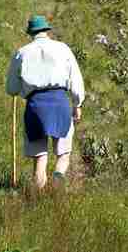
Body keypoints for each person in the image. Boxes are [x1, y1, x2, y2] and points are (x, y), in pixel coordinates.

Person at [5, 15, 85, 190]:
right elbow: (75, 79)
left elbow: (11, 89)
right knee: (64, 152)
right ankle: (58, 178)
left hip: (35, 106)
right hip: (60, 102)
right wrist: (77, 104)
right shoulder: (62, 48)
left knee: (40, 157)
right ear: (47, 30)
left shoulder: (22, 52)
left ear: (31, 32)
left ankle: (39, 196)